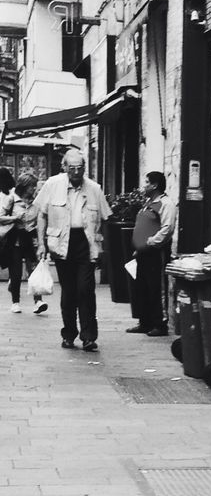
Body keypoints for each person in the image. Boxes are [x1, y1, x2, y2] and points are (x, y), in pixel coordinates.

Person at [35, 148, 110, 352]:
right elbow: (41, 215)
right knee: (68, 291)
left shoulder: (94, 188)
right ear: (65, 167)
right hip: (61, 243)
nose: (77, 172)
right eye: (73, 168)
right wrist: (41, 244)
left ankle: (88, 336)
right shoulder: (52, 184)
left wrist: (100, 242)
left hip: (85, 243)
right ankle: (69, 333)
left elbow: (104, 218)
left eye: (80, 168)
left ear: (85, 168)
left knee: (85, 290)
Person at [127, 171, 176, 337]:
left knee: (157, 287)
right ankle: (145, 321)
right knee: (142, 287)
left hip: (156, 252)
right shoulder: (148, 202)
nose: (144, 185)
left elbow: (167, 228)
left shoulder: (166, 203)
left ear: (155, 185)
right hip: (142, 252)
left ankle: (159, 323)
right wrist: (139, 248)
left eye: (147, 182)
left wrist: (152, 242)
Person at [0, 169, 46, 315]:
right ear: (25, 186)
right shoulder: (12, 199)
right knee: (16, 272)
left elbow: (41, 220)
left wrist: (41, 242)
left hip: (30, 239)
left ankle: (38, 301)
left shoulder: (37, 202)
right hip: (15, 240)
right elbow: (0, 217)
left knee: (33, 270)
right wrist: (14, 218)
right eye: (32, 186)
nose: (34, 189)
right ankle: (15, 302)